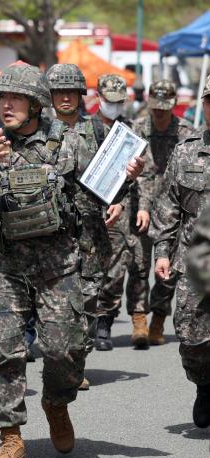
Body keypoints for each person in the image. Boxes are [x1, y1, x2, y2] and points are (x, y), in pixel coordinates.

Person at [0, 63, 143, 458]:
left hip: (58, 263)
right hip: (5, 265)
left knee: (66, 349)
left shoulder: (69, 142)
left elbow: (98, 191)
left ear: (37, 104)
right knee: (2, 351)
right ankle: (11, 436)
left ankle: (57, 403)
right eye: (2, 98)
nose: (6, 106)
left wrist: (125, 182)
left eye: (16, 99)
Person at [46, 63, 120, 390]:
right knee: (58, 300)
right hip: (52, 233)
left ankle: (77, 362)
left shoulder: (98, 130)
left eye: (70, 92)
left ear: (80, 95)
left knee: (89, 298)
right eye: (59, 92)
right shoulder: (39, 131)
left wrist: (121, 194)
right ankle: (60, 359)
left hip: (91, 230)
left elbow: (116, 177)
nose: (65, 98)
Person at [150, 76, 210, 430]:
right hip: (194, 259)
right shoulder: (186, 150)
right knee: (191, 337)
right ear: (203, 105)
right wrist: (162, 250)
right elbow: (169, 204)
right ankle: (205, 384)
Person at [131, 80, 199, 346]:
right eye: (155, 108)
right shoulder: (136, 130)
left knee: (167, 268)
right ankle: (139, 317)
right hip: (140, 207)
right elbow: (140, 173)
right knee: (138, 265)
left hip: (174, 211)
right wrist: (142, 206)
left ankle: (158, 317)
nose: (159, 113)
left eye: (164, 108)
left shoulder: (185, 132)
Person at [94, 73, 151, 350]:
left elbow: (144, 175)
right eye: (109, 101)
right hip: (91, 211)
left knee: (117, 270)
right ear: (98, 98)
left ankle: (104, 323)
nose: (114, 106)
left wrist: (143, 207)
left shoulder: (131, 132)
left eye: (119, 101)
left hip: (123, 210)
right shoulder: (85, 128)